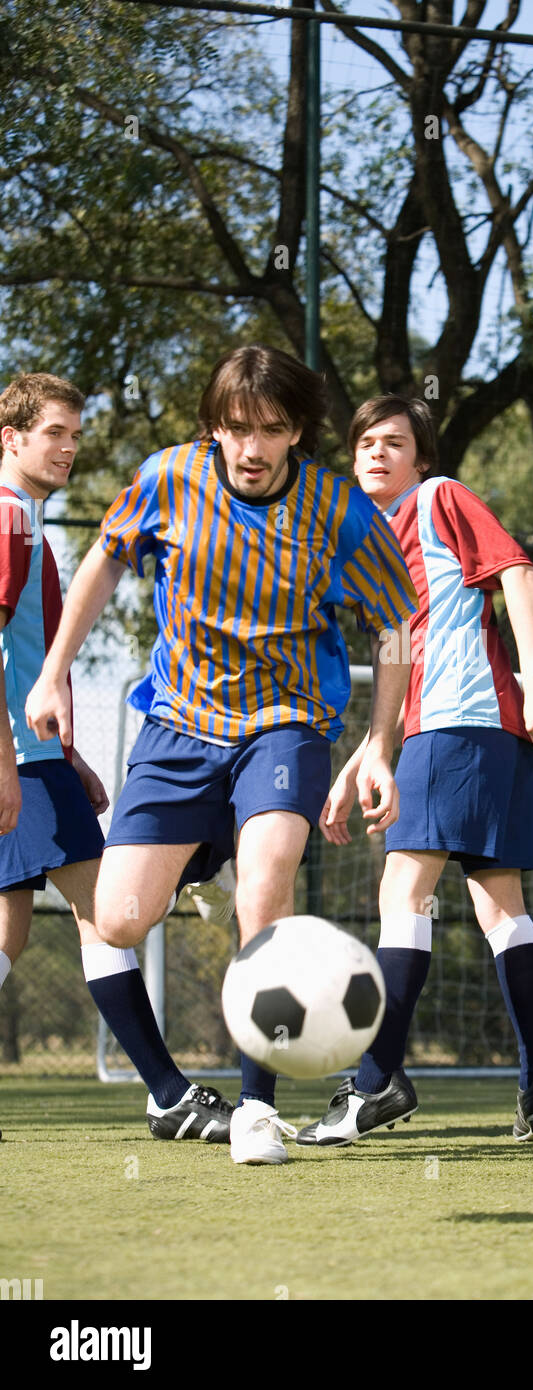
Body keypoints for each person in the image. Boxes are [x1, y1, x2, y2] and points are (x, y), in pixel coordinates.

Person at [25, 347, 417, 1165]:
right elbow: (103, 558)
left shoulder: (341, 511)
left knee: (267, 887)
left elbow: (394, 628)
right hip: (178, 725)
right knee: (120, 919)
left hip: (286, 724)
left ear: (297, 433)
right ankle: (208, 859)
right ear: (214, 427)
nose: (251, 446)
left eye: (271, 430)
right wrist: (55, 672)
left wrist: (379, 745)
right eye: (237, 428)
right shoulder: (168, 479)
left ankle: (255, 1110)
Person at [297, 395, 533, 1148]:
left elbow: (516, 572)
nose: (376, 453)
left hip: (460, 721)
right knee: (500, 907)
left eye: (394, 442)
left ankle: (376, 1081)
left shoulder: (439, 498)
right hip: (464, 730)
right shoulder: (370, 543)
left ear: (421, 458)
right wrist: (368, 751)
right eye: (364, 443)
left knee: (403, 893)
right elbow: (399, 659)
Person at [0, 372, 233, 1143]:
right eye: (54, 434)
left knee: (11, 932)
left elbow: (28, 658)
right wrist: (12, 763)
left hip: (37, 755)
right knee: (111, 913)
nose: (70, 447)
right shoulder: (9, 519)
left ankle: (166, 1091)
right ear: (12, 439)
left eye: (75, 434)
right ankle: (167, 1092)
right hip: (16, 760)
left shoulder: (27, 520)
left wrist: (66, 755)